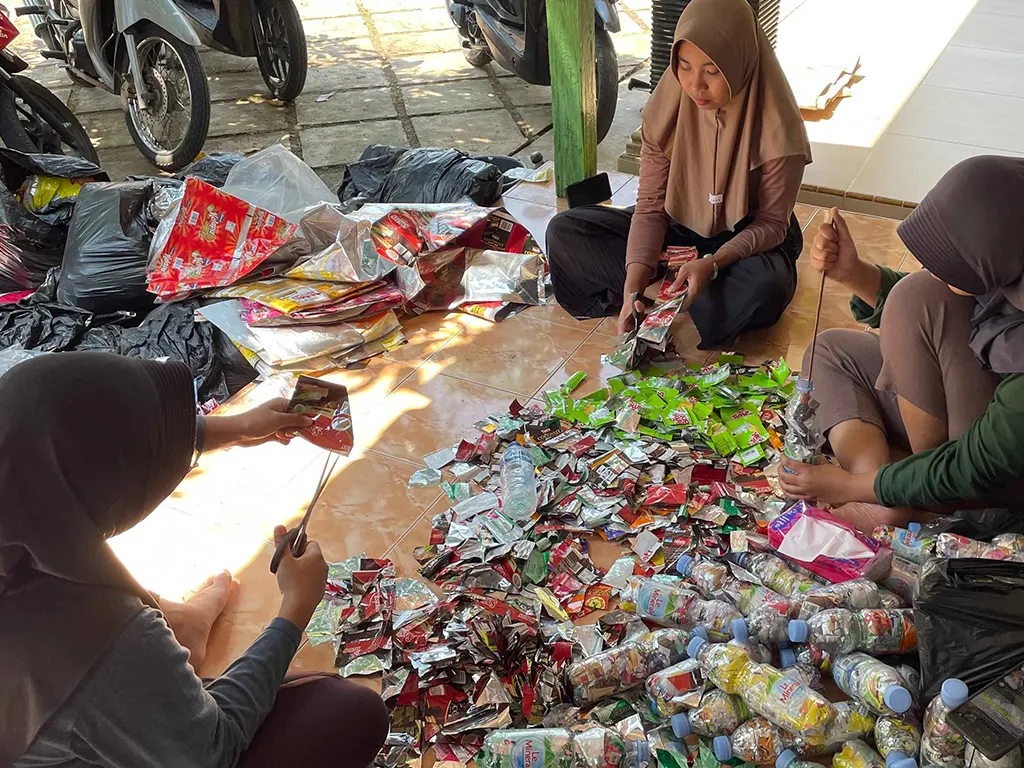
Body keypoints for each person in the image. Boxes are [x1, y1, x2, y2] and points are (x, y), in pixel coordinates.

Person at [2, 352, 390, 768]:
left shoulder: (28, 517)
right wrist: (295, 609)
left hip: (62, 701)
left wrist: (232, 429)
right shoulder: (86, 636)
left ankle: (188, 624)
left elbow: (58, 446)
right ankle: (183, 631)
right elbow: (212, 752)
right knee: (347, 712)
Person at [545, 0, 812, 347]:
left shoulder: (780, 128)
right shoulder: (666, 111)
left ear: (741, 62)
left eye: (712, 71)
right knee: (566, 232)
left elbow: (772, 224)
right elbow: (651, 206)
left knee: (765, 288)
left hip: (746, 241)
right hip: (677, 227)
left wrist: (713, 264)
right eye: (684, 67)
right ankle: (677, 290)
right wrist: (632, 287)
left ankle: (680, 286)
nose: (695, 85)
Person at [778, 156, 1024, 531]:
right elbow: (934, 300)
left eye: (952, 257)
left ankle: (921, 496)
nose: (937, 268)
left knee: (917, 294)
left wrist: (844, 486)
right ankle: (881, 493)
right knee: (831, 350)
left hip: (994, 467)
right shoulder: (1011, 259)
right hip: (975, 418)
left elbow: (977, 464)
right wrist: (852, 273)